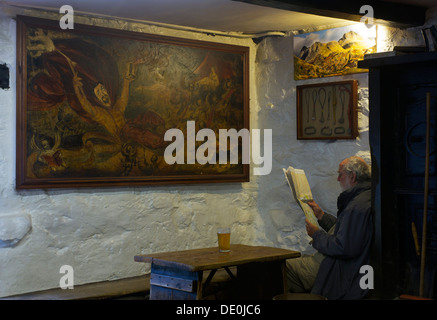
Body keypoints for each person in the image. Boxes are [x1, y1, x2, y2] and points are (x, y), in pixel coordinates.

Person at [286, 156, 373, 299]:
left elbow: (342, 247)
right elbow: (345, 231)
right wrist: (321, 216)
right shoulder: (364, 197)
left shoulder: (356, 206)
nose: (338, 179)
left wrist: (316, 234)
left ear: (352, 176)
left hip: (334, 266)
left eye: (340, 174)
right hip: (334, 261)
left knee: (281, 268)